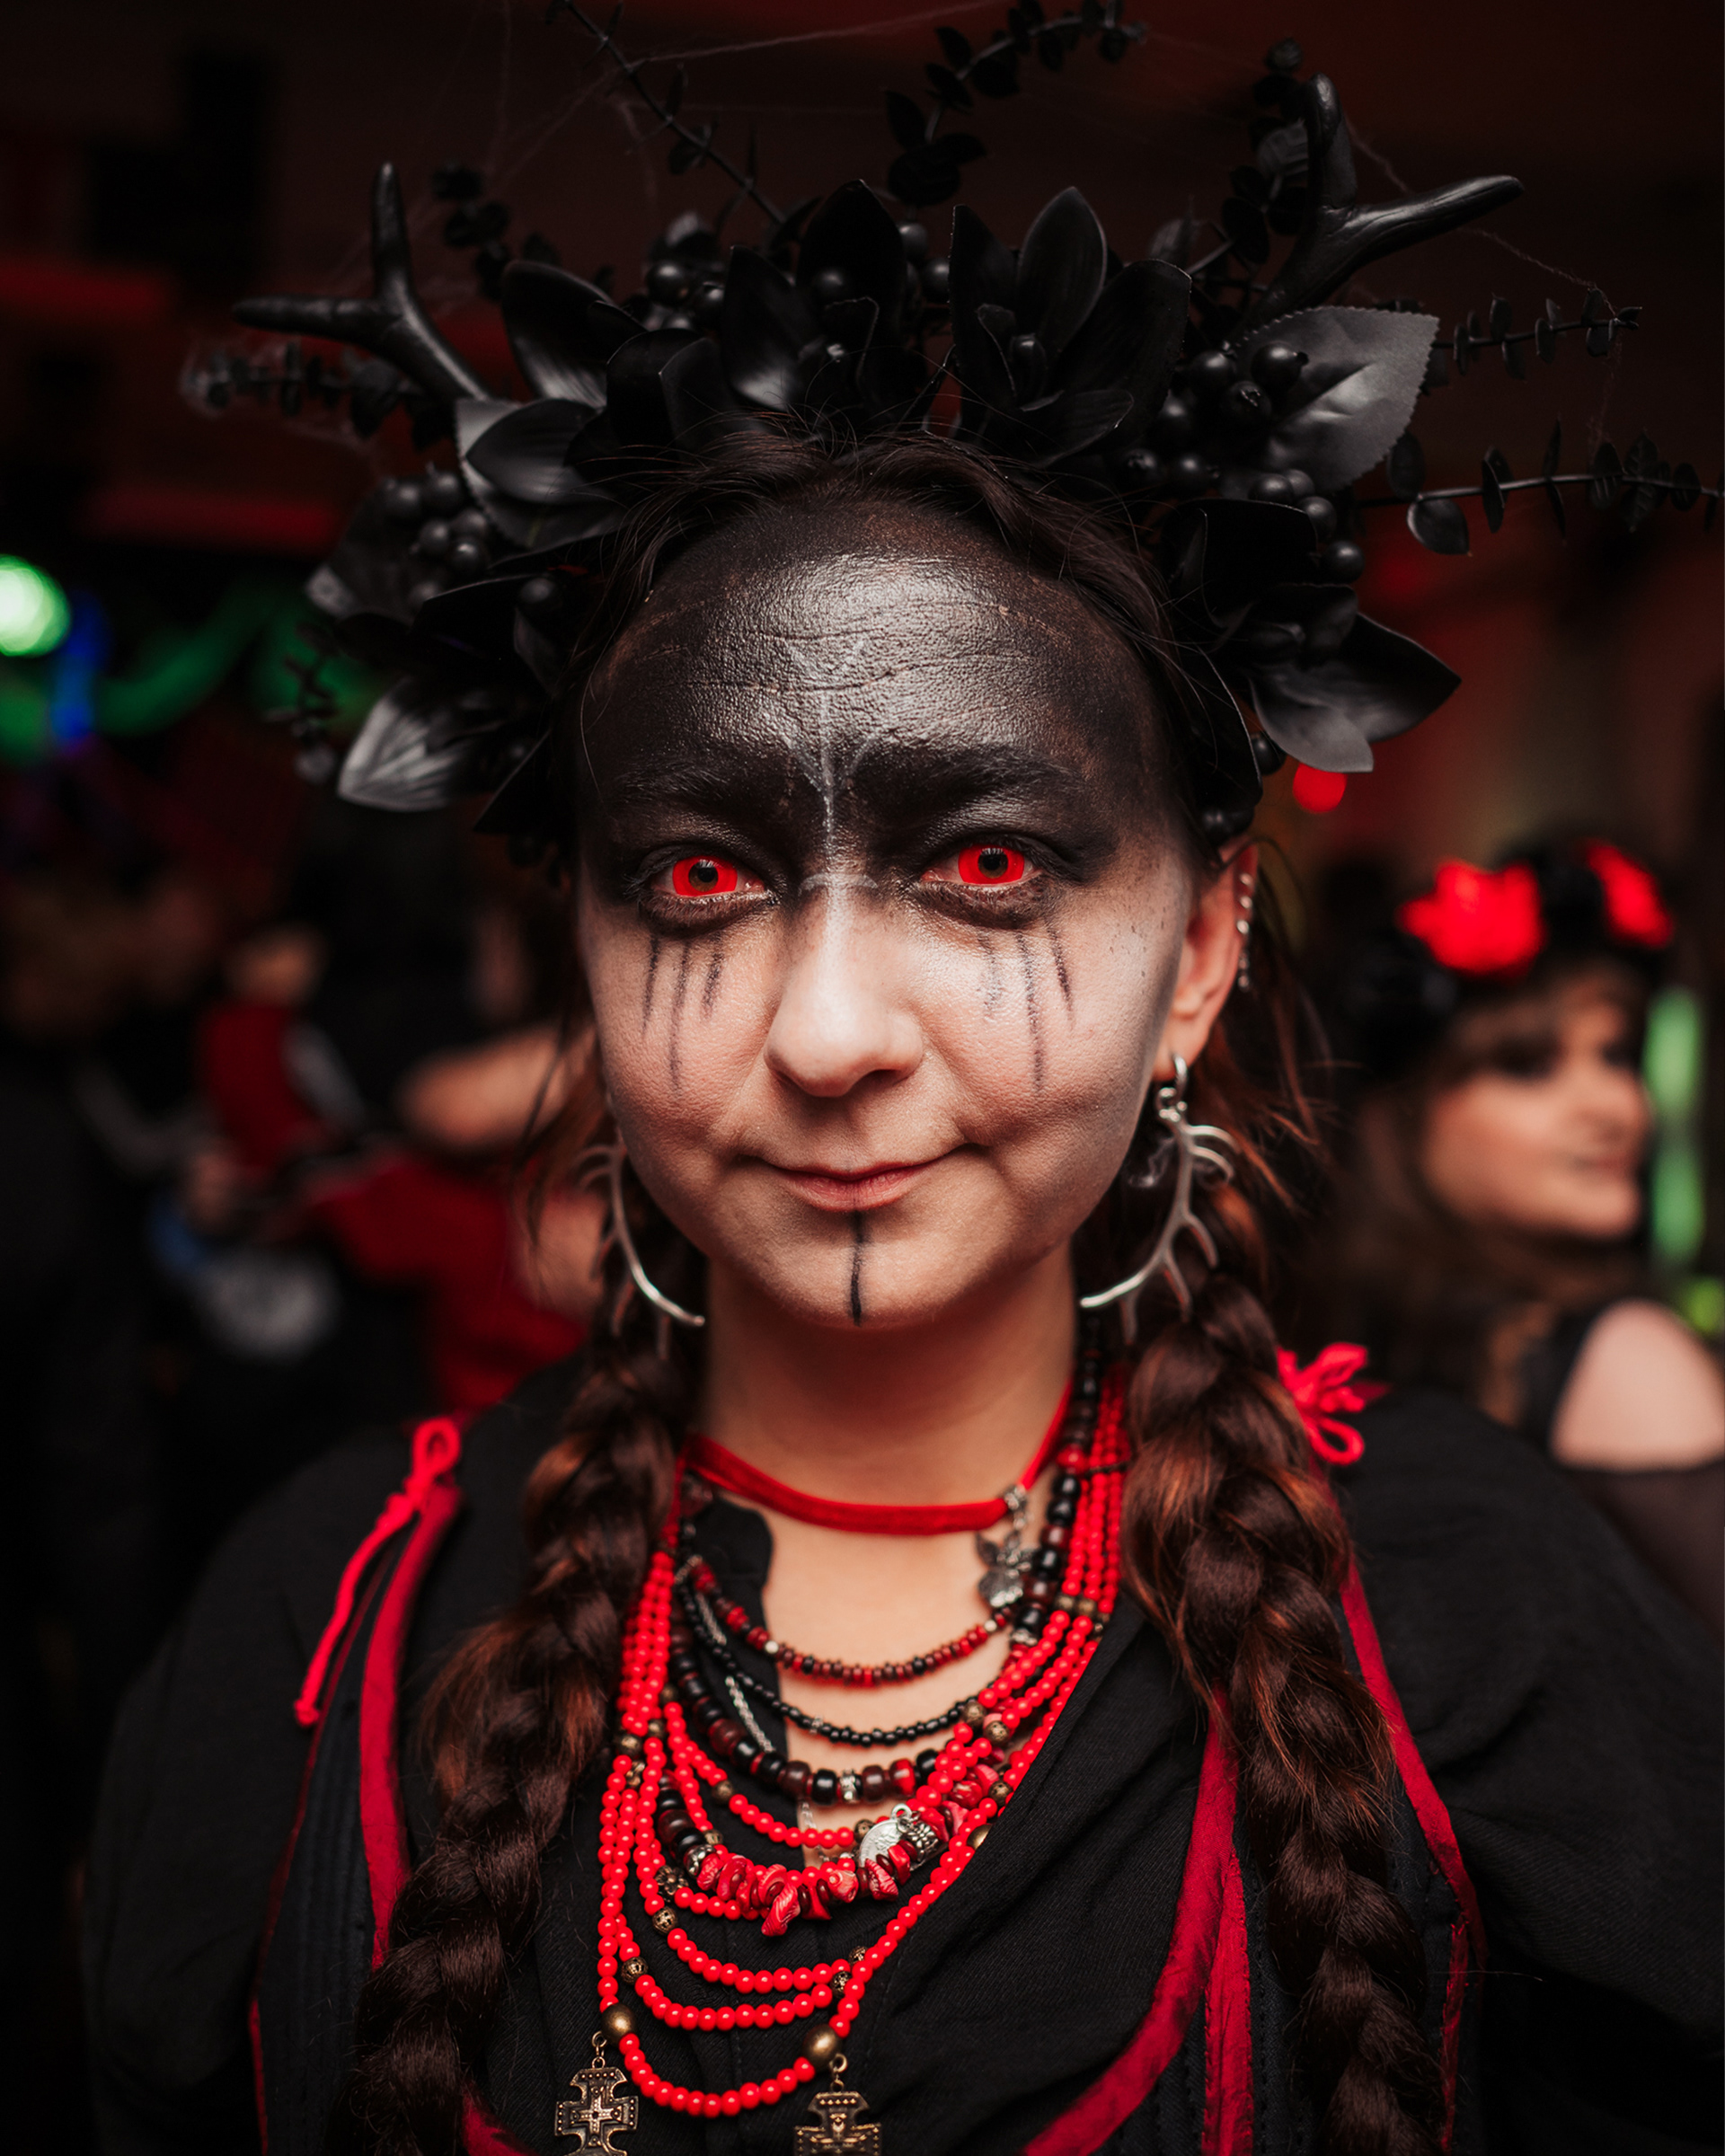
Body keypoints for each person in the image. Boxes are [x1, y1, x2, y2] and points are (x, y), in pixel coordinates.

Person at [84, 36, 1721, 2156]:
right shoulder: (328, 1615)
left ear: (1200, 945)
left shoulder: (1474, 1610)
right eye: (699, 877)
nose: (832, 1027)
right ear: (583, 937)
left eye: (988, 866)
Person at [1307, 842, 1723, 1634]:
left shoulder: (1355, 1342)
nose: (1614, 1107)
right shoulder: (1622, 1356)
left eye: (1616, 1056)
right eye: (1532, 1067)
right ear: (1408, 1116)